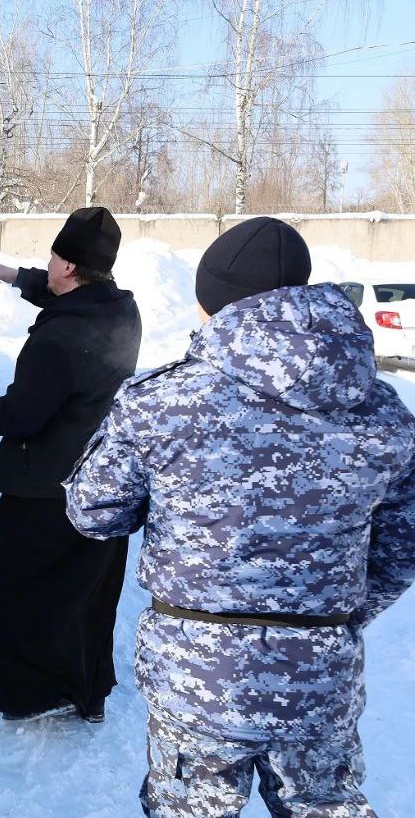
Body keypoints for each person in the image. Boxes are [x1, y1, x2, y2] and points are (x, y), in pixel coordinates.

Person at [66, 216, 415, 815]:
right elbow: (401, 547)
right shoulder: (382, 410)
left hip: (198, 680)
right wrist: (326, 616)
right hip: (320, 674)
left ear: (211, 303)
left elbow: (94, 511)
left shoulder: (164, 402)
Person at [0, 206, 142, 723]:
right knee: (88, 595)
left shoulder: (57, 340)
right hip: (103, 485)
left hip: (45, 492)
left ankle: (40, 694)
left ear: (68, 265)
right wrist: (12, 276)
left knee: (16, 591)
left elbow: (21, 417)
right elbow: (68, 293)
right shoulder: (120, 310)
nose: (49, 262)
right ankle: (89, 693)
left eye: (54, 255)